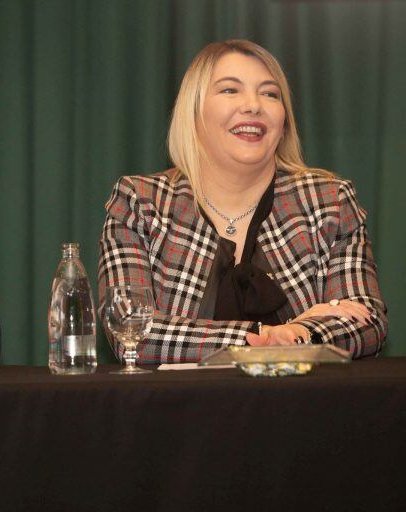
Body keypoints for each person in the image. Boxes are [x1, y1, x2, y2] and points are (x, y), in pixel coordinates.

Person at [98, 39, 386, 363]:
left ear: (283, 122)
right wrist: (265, 336)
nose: (253, 105)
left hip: (304, 410)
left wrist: (307, 333)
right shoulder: (141, 202)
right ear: (194, 112)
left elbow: (367, 320)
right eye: (230, 90)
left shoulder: (329, 201)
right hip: (177, 411)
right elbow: (129, 332)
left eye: (270, 93)